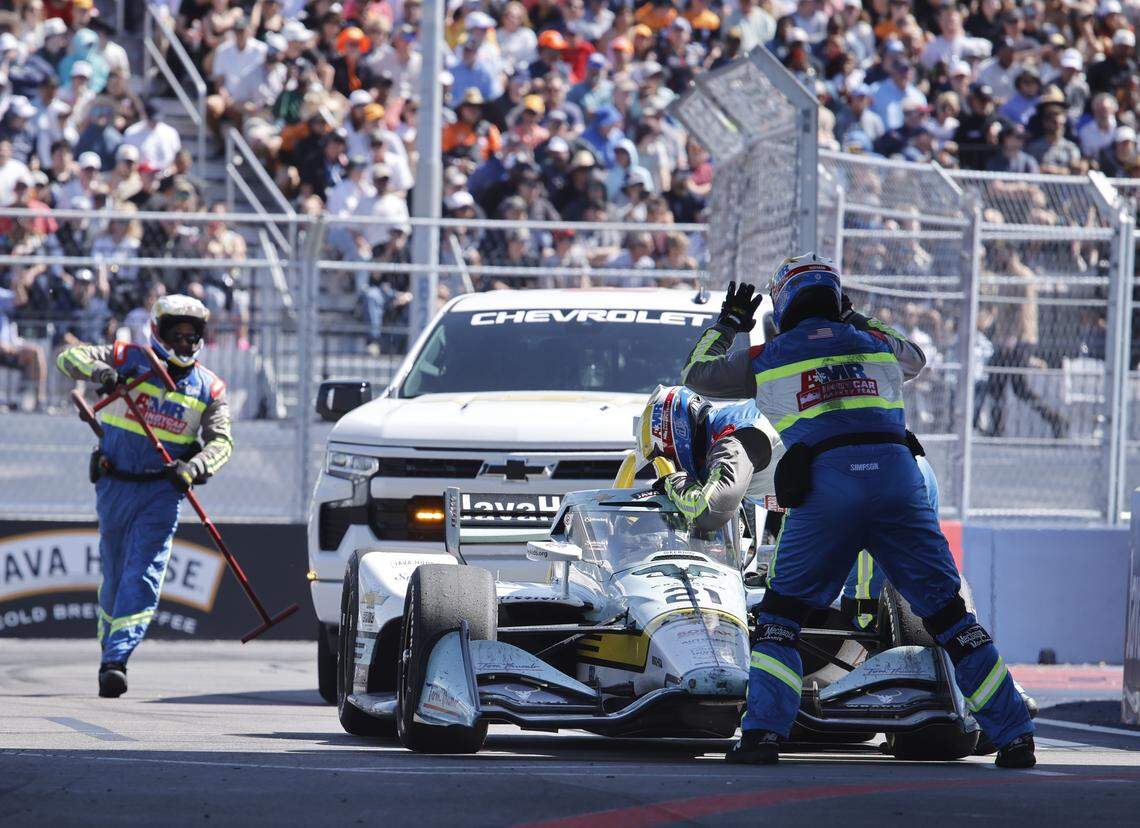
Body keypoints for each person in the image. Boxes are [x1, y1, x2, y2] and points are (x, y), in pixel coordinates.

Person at [679, 258, 1035, 769]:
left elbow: (696, 375)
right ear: (836, 298)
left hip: (826, 485)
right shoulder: (875, 345)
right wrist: (857, 317)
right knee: (951, 617)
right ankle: (1016, 735)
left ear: (784, 303)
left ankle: (762, 736)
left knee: (781, 618)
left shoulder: (769, 355)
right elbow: (916, 357)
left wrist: (729, 323)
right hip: (898, 477)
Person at [56, 295, 233, 698]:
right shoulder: (127, 357)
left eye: (192, 337)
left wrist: (194, 468)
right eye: (177, 335)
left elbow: (222, 442)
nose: (185, 343)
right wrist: (103, 373)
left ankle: (116, 661)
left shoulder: (210, 387)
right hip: (114, 484)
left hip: (162, 491)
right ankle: (109, 645)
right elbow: (68, 358)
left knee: (143, 573)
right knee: (115, 575)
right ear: (159, 333)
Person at [634, 385, 777, 535]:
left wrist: (674, 482)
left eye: (664, 458)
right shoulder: (727, 426)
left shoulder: (732, 440)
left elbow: (710, 513)